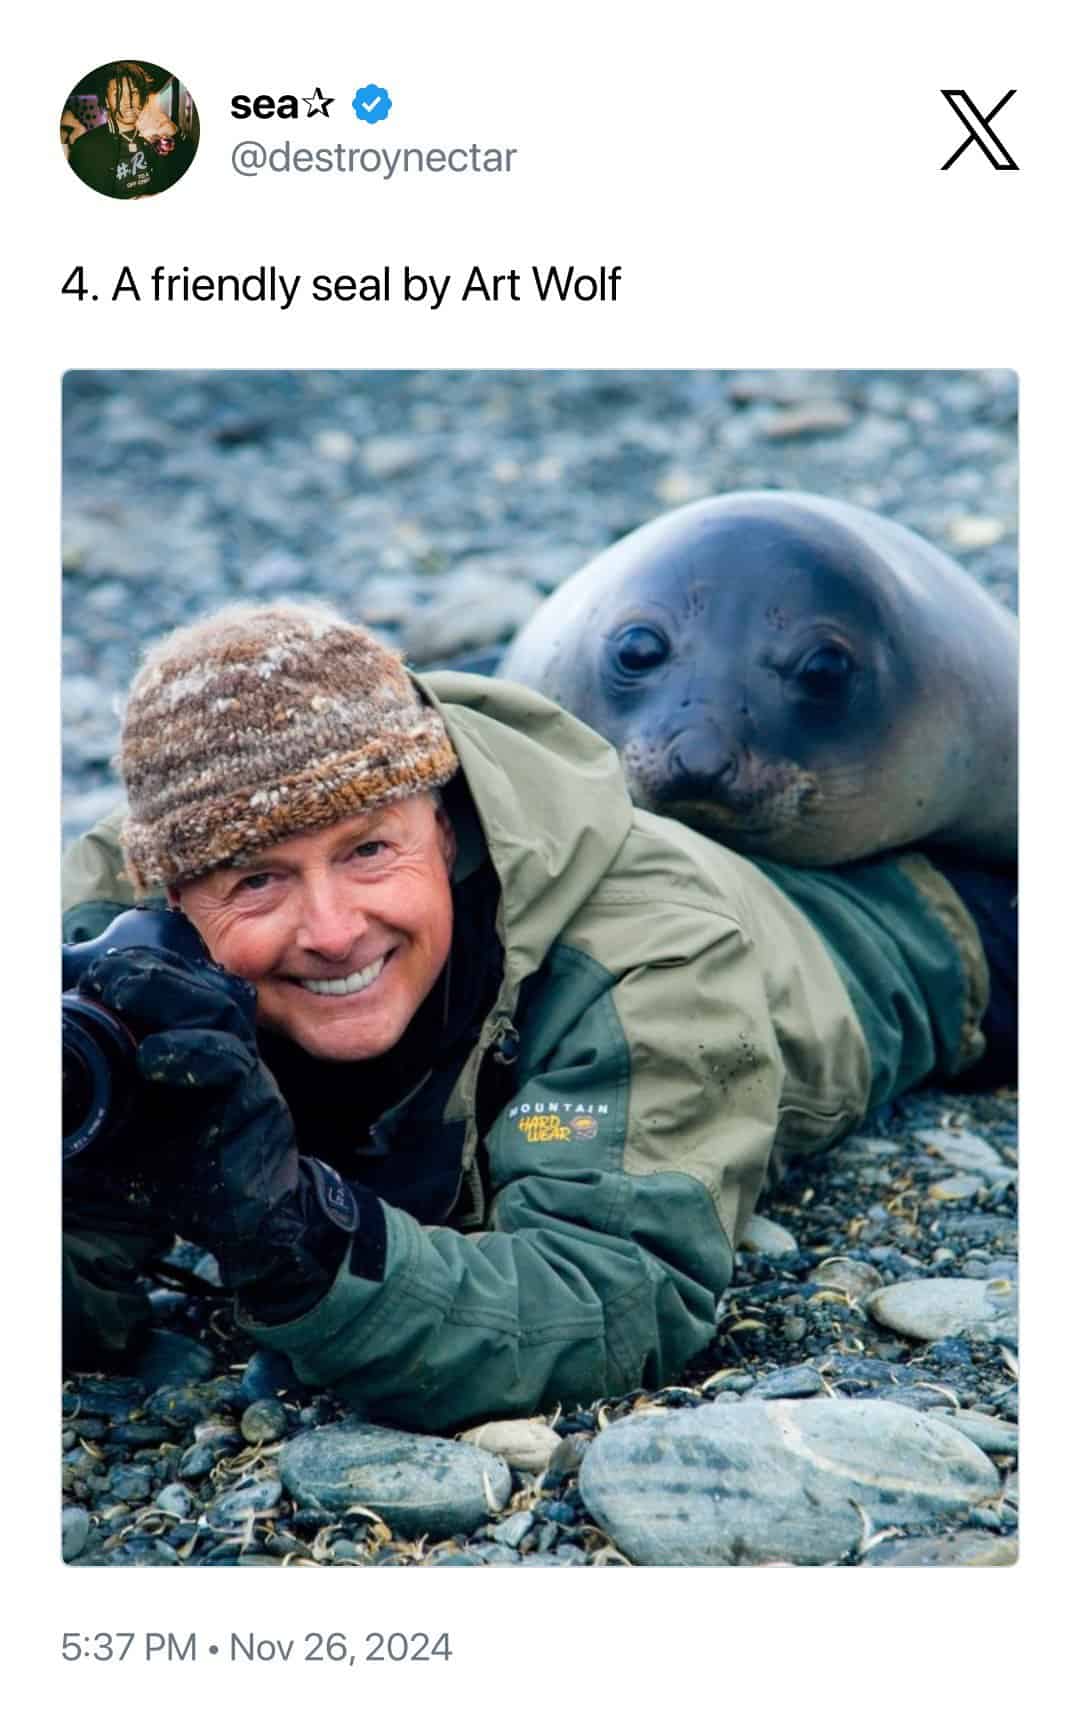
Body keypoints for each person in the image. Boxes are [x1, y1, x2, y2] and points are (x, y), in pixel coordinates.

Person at [61, 602, 1016, 1433]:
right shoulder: (108, 943)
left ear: (441, 825)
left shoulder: (646, 955)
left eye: (368, 852)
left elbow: (615, 1297)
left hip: (905, 938)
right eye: (257, 880)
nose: (334, 931)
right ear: (168, 890)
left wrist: (293, 1235)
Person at [67, 63, 194, 199]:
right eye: (118, 95)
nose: (128, 102)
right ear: (107, 102)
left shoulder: (155, 135)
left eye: (134, 92)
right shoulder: (85, 147)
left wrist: (176, 132)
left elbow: (184, 168)